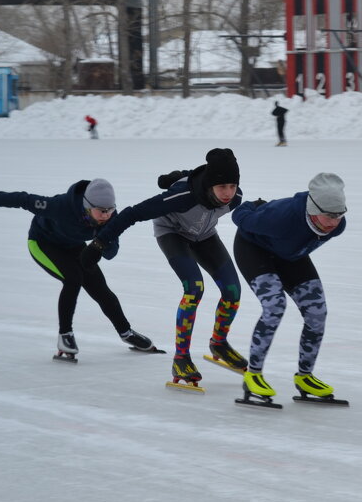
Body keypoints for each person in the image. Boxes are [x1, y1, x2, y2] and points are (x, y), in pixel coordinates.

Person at [83, 148, 248, 388]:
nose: (228, 193)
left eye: (232, 186)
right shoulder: (181, 197)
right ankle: (181, 358)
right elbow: (131, 214)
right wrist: (98, 244)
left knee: (233, 291)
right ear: (210, 185)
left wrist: (179, 175)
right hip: (172, 233)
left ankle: (219, 343)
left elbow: (201, 175)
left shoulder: (236, 197)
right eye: (222, 187)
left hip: (204, 236)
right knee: (194, 288)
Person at [0, 179, 155, 359]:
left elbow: (111, 253)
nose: (106, 215)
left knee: (100, 288)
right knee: (73, 279)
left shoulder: (111, 217)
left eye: (110, 210)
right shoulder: (60, 207)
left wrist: (104, 241)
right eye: (101, 211)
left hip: (74, 245)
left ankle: (126, 333)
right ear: (87, 206)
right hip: (43, 243)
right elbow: (21, 199)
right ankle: (65, 335)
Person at [230, 172, 347, 403]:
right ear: (313, 210)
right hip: (254, 249)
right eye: (328, 216)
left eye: (340, 214)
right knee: (274, 306)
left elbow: (306, 236)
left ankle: (305, 377)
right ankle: (253, 375)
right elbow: (239, 217)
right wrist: (252, 205)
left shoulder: (338, 226)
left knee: (317, 312)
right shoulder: (280, 216)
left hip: (290, 255)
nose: (334, 222)